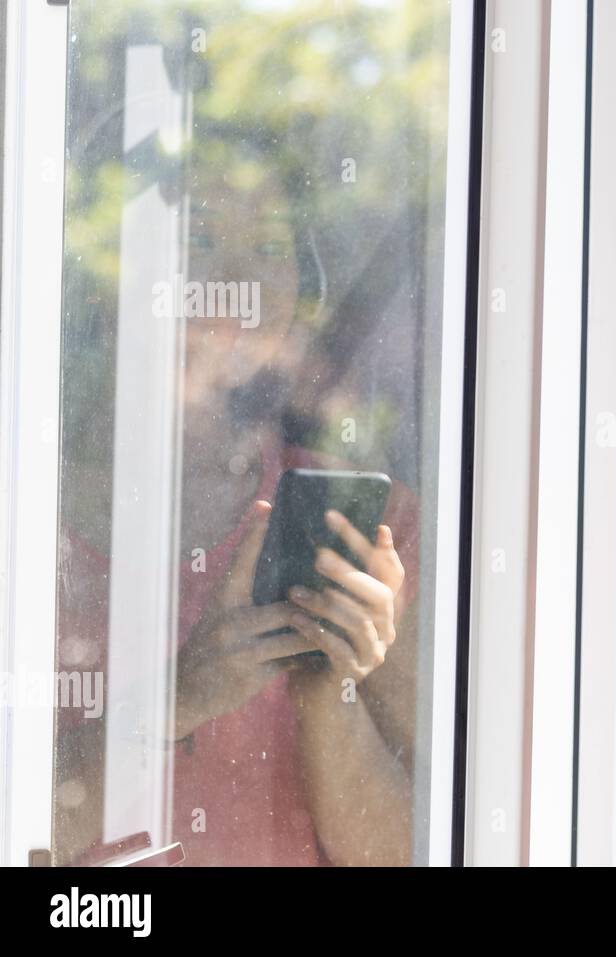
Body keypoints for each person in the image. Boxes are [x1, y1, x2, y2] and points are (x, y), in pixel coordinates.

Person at [55, 131, 422, 866]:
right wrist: (173, 701)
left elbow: (403, 853)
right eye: (199, 235)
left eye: (268, 245)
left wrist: (329, 691)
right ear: (108, 274)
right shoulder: (27, 516)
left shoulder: (374, 529)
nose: (240, 280)